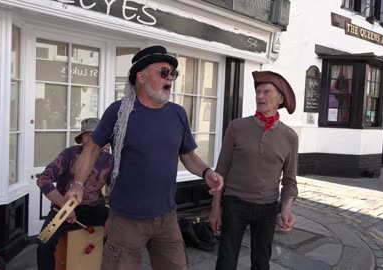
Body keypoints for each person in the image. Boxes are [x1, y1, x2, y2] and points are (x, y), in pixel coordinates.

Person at [65, 45, 224, 270]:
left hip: (167, 218)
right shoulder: (119, 112)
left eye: (173, 74)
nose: (171, 78)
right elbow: (91, 149)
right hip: (126, 220)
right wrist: (78, 184)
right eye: (163, 72)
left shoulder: (177, 113)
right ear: (141, 76)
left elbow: (187, 154)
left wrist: (207, 172)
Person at [209, 71, 299, 270]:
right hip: (234, 204)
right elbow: (220, 172)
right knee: (226, 261)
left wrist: (286, 208)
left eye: (267, 92)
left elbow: (290, 181)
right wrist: (216, 208)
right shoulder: (236, 127)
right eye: (258, 92)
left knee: (261, 263)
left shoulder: (290, 137)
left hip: (267, 208)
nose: (260, 96)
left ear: (280, 99)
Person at [36, 118, 114, 270]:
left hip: (92, 207)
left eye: (100, 136)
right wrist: (63, 204)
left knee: (119, 231)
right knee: (44, 242)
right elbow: (43, 180)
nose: (94, 141)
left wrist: (113, 217)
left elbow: (118, 189)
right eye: (90, 135)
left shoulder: (109, 160)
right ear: (84, 138)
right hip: (62, 209)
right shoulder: (69, 154)